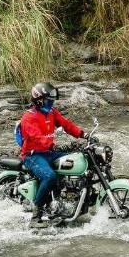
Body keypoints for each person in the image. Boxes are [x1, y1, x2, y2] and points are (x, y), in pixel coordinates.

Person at [17, 81, 85, 226]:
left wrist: (83, 135)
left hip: (49, 152)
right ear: (39, 100)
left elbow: (66, 124)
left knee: (75, 159)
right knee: (49, 176)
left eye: (52, 101)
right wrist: (50, 141)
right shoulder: (29, 117)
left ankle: (64, 203)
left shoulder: (52, 113)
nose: (50, 104)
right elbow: (37, 137)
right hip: (33, 155)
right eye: (48, 101)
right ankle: (36, 217)